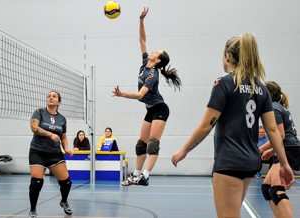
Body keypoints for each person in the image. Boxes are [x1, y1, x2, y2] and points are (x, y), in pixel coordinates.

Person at [171, 33, 294, 218]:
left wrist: (184, 150)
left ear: (228, 56)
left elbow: (207, 125)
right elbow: (273, 130)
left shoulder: (224, 83)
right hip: (250, 162)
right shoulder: (260, 87)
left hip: (229, 160)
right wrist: (284, 164)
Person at [112, 7, 181, 186]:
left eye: (156, 52)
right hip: (150, 109)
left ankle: (146, 175)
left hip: (160, 109)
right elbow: (142, 39)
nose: (153, 51)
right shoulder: (145, 64)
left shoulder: (152, 75)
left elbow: (139, 95)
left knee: (152, 144)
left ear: (157, 60)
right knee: (140, 145)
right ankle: (135, 175)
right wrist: (141, 20)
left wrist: (121, 94)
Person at [28, 91, 74, 218]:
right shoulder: (39, 112)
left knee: (67, 182)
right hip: (38, 152)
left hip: (55, 153)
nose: (51, 98)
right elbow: (34, 128)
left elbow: (63, 137)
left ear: (59, 102)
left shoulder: (62, 119)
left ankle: (64, 201)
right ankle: (33, 210)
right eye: (49, 96)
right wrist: (50, 134)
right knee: (37, 181)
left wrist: (66, 149)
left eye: (54, 96)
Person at [258, 81, 300, 218]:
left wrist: (259, 150)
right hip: (286, 148)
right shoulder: (278, 106)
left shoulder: (274, 109)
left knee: (277, 190)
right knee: (267, 189)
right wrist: (272, 151)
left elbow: (280, 135)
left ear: (268, 94)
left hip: (289, 150)